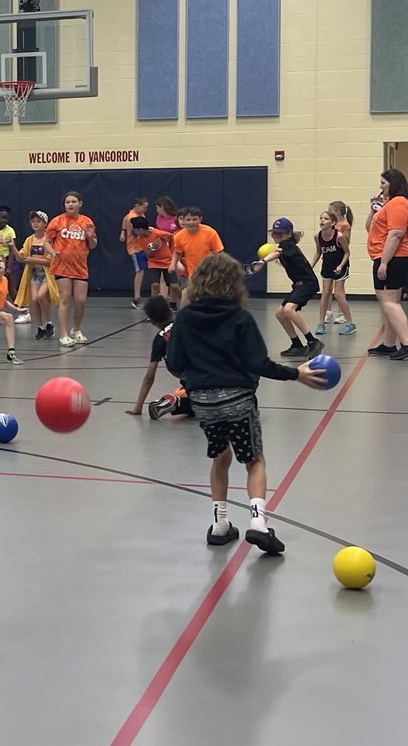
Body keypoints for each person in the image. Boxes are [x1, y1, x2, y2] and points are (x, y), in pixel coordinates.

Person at [165, 253, 326, 554]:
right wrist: (296, 374)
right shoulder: (240, 318)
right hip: (238, 399)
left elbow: (174, 363)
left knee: (220, 457)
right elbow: (259, 362)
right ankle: (258, 524)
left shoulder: (184, 318)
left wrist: (196, 381)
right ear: (235, 284)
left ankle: (220, 524)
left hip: (203, 402)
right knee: (254, 461)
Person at [365, 170, 408, 360]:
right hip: (387, 256)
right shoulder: (389, 204)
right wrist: (373, 209)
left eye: (383, 183)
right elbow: (370, 228)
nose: (380, 186)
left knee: (389, 302)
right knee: (390, 302)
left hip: (391, 257)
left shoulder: (398, 203)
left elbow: (396, 234)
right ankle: (389, 344)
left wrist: (384, 263)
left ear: (393, 183)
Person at [257, 218, 323, 358]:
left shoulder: (287, 245)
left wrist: (263, 261)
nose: (276, 236)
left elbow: (277, 253)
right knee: (280, 314)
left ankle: (313, 341)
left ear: (288, 234)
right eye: (274, 233)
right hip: (300, 284)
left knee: (288, 309)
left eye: (279, 234)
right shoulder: (287, 247)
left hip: (307, 283)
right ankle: (297, 345)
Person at [46, 191, 98, 347]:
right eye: (67, 202)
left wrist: (90, 236)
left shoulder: (87, 221)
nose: (70, 204)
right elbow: (47, 242)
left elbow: (94, 245)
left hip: (80, 267)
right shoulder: (57, 221)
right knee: (65, 299)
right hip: (62, 266)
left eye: (73, 201)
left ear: (80, 203)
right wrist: (52, 252)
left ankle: (76, 330)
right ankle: (63, 334)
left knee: (81, 300)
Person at [125, 295, 189, 419]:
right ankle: (177, 403)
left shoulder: (159, 339)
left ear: (153, 322)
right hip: (201, 370)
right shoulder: (184, 324)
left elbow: (149, 377)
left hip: (181, 371)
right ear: (170, 311)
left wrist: (138, 407)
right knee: (207, 404)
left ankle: (182, 397)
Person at [14, 210, 57, 339]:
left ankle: (49, 323)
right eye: (33, 221)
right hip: (34, 274)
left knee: (40, 296)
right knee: (33, 300)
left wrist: (33, 260)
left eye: (38, 221)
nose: (35, 223)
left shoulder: (48, 240)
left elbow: (50, 261)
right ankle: (40, 327)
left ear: (45, 224)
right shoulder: (29, 240)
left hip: (46, 274)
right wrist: (13, 248)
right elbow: (21, 258)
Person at [312, 210, 355, 336]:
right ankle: (321, 323)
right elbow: (318, 253)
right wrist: (310, 266)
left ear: (333, 223)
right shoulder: (317, 236)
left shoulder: (339, 236)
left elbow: (347, 252)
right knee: (325, 293)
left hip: (340, 266)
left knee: (338, 294)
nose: (322, 221)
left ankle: (350, 324)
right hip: (327, 266)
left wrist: (341, 266)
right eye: (321, 218)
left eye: (325, 219)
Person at [170, 207, 224, 281]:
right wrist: (173, 264)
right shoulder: (178, 236)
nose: (191, 222)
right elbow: (177, 252)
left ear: (200, 219)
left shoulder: (210, 233)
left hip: (210, 275)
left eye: (194, 219)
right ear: (184, 221)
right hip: (193, 276)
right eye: (188, 220)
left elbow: (219, 253)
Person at [324, 200, 355, 327]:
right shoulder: (332, 224)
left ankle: (341, 314)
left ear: (337, 212)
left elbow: (346, 241)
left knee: (339, 290)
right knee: (327, 289)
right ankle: (328, 311)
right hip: (330, 258)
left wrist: (337, 234)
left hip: (341, 259)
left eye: (330, 211)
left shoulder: (344, 225)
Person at [121, 196, 150, 308]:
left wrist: (123, 232)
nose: (145, 210)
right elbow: (137, 232)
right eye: (144, 207)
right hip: (135, 249)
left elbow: (124, 221)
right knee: (140, 271)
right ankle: (136, 298)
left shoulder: (139, 215)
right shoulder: (131, 218)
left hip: (142, 247)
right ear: (137, 206)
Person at [153, 196, 181, 306]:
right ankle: (164, 300)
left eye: (157, 207)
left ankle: (175, 300)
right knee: (163, 276)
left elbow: (181, 232)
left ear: (162, 207)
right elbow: (157, 232)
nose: (156, 210)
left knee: (175, 277)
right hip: (163, 250)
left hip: (176, 249)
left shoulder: (175, 219)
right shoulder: (159, 218)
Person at [0, 205, 17, 294]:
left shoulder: (10, 231)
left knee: (11, 289)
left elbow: (12, 250)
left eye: (6, 218)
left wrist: (9, 267)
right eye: (1, 218)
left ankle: (20, 307)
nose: (4, 220)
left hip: (9, 260)